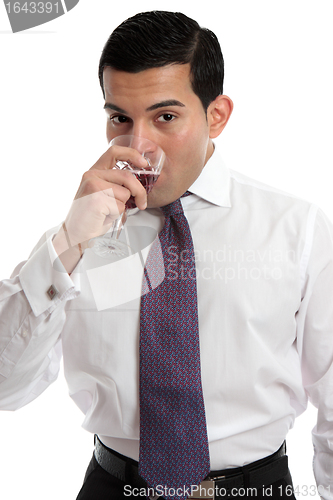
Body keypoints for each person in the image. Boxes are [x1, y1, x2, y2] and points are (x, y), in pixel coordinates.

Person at [0, 9, 333, 500]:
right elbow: (8, 386)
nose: (138, 145)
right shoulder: (75, 238)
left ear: (215, 116)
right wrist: (68, 245)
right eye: (120, 119)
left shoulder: (296, 228)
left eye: (166, 117)